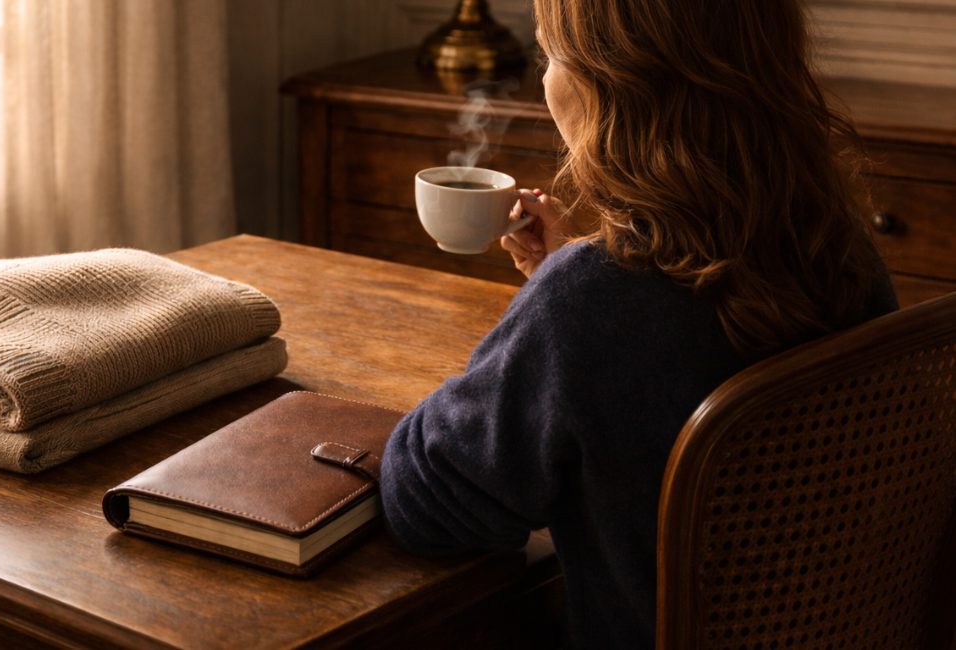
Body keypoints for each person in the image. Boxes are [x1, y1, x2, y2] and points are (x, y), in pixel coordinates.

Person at [378, 0, 899, 647]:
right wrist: (569, 279)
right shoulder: (844, 254)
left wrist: (556, 301)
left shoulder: (590, 303)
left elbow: (428, 502)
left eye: (550, 56)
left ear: (612, 84)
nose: (546, 81)